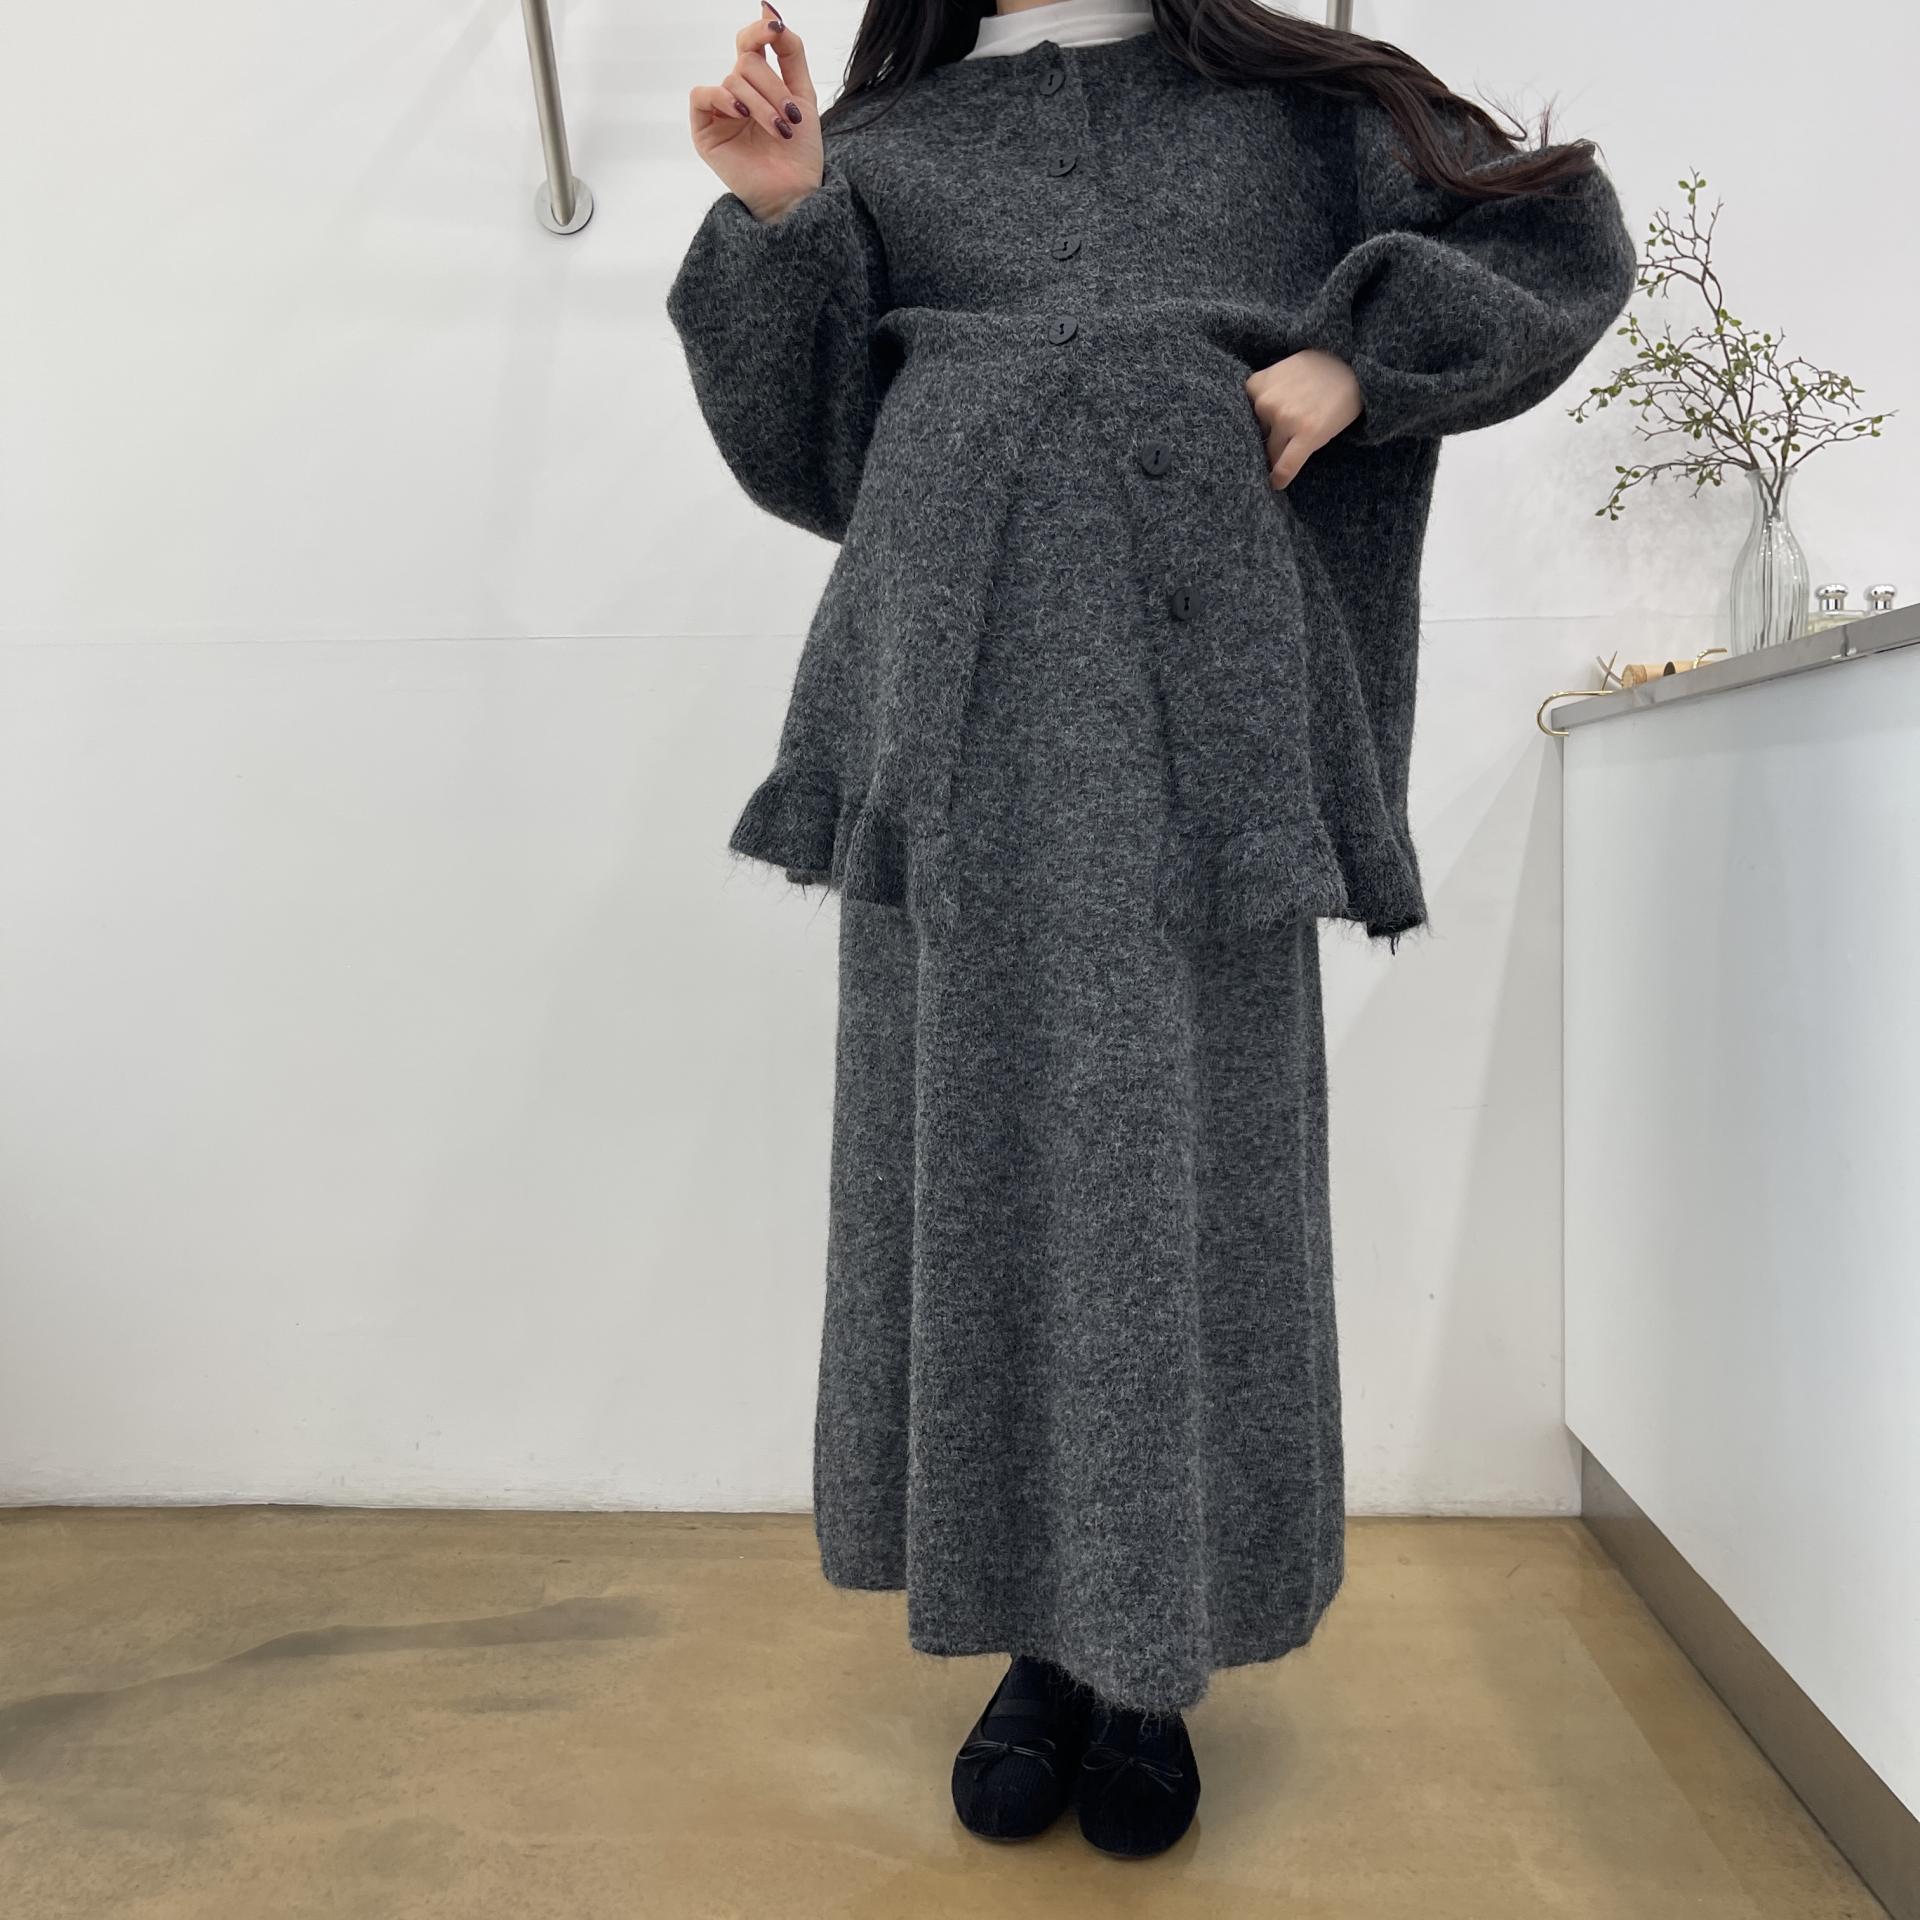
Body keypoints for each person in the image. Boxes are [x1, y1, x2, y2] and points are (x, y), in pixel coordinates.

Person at [666, 0, 1636, 1861]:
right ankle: (1035, 1648)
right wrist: (787, 214)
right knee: (968, 1171)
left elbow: (1553, 234)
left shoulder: (1293, 111)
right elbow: (812, 459)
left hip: (1204, 736)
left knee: (1188, 1184)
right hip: (946, 743)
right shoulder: (891, 139)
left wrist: (1353, 359)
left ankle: (1149, 1663)